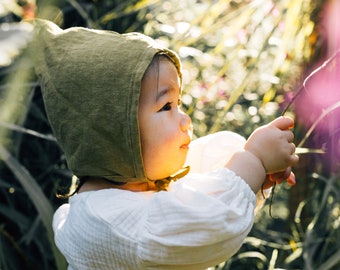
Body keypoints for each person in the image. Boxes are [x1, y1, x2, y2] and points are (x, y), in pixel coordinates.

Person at [31, 19, 299, 270]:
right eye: (166, 106)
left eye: (179, 103)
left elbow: (202, 187)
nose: (185, 119)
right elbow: (207, 220)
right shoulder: (111, 222)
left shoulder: (130, 188)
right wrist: (254, 160)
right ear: (114, 131)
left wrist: (254, 181)